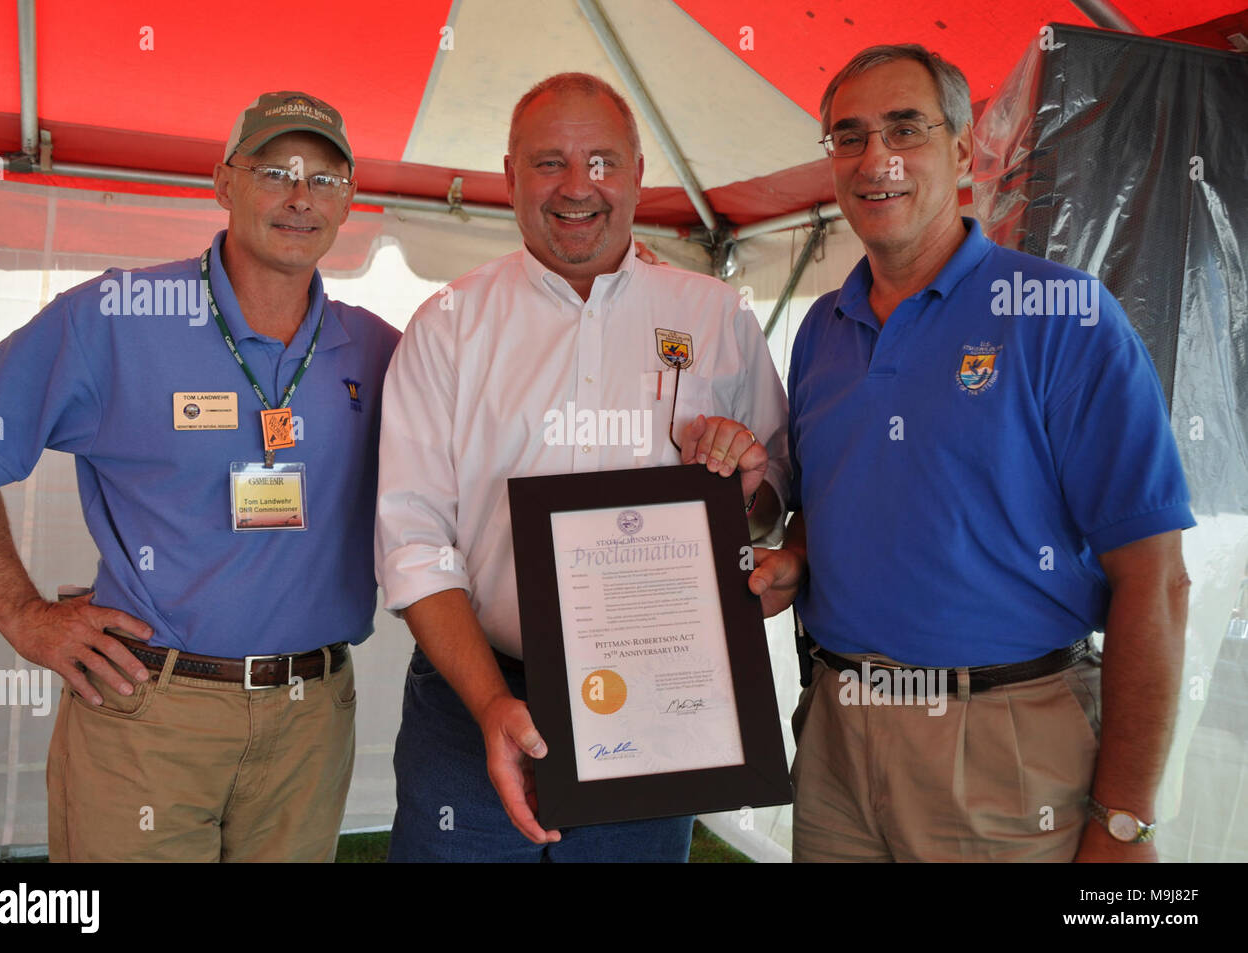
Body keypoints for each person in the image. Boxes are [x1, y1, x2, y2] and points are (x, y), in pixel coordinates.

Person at [748, 44, 1194, 862]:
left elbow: (1156, 581)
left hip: (1005, 749)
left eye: (904, 129)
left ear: (961, 149)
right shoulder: (821, 330)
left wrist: (1124, 817)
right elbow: (829, 500)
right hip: (836, 736)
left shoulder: (1062, 316)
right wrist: (798, 556)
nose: (875, 158)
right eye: (848, 137)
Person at [0, 91, 401, 861]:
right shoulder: (120, 317)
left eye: (324, 178)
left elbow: (493, 438)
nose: (301, 197)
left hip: (311, 720)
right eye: (276, 171)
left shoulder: (379, 349)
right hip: (150, 715)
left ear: (349, 199)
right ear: (224, 182)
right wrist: (22, 613)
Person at [376, 72, 790, 862]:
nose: (578, 187)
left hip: (658, 706)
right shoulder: (448, 327)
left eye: (601, 162)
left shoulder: (717, 316)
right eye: (548, 163)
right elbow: (412, 540)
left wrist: (750, 486)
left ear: (638, 173)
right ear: (508, 175)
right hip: (473, 701)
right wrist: (492, 700)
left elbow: (772, 501)